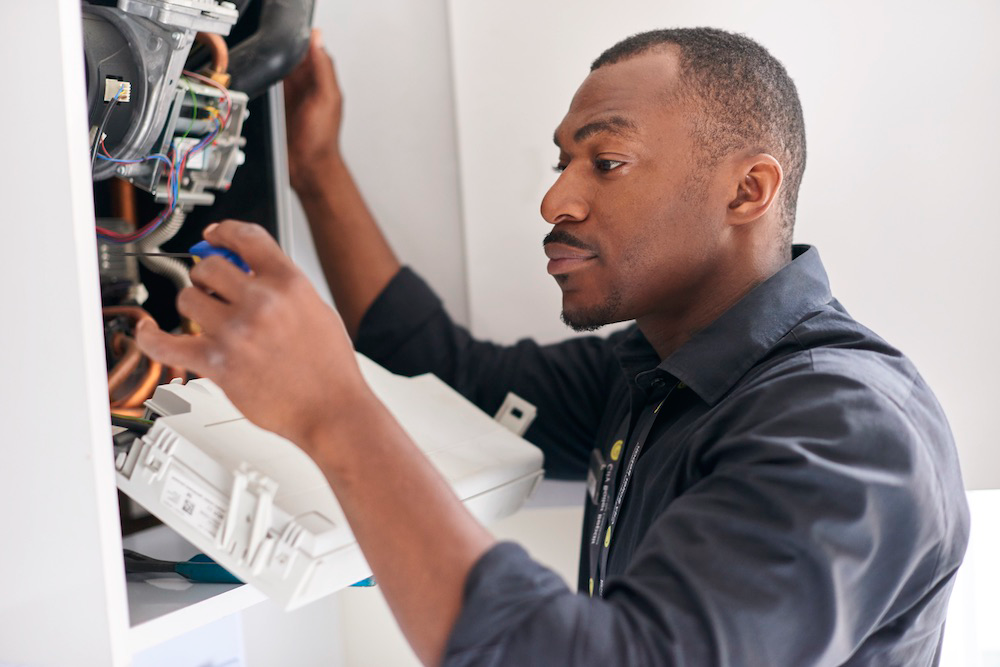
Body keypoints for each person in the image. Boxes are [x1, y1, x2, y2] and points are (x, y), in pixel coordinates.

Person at [137, 27, 970, 667]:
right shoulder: (657, 373)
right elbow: (446, 373)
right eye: (560, 161)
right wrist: (315, 167)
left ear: (747, 190)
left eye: (605, 161)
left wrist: (330, 410)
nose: (554, 200)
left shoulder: (844, 430)